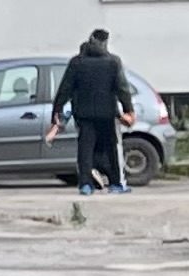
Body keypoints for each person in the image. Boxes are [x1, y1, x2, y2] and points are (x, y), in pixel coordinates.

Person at [45, 28, 134, 194]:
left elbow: (65, 89)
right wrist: (129, 110)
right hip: (107, 113)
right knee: (111, 148)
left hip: (84, 114)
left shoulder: (77, 63)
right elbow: (122, 88)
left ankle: (86, 184)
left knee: (85, 149)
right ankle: (115, 183)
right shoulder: (113, 62)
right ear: (105, 43)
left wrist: (56, 111)